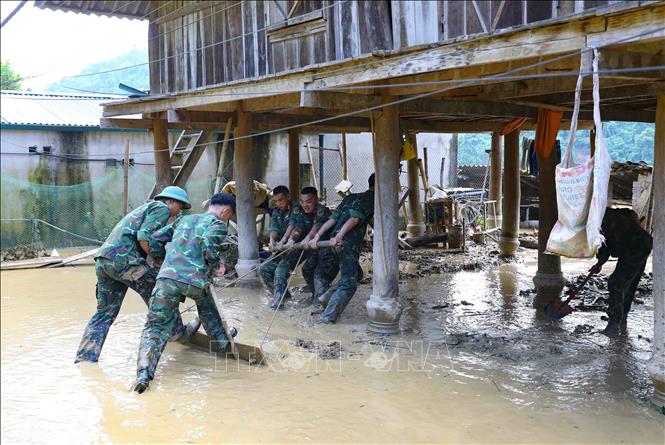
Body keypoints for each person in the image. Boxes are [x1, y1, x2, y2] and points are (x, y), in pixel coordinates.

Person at [133, 192, 237, 393]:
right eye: (229, 216)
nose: (228, 219)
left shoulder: (183, 219)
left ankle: (144, 374)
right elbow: (208, 244)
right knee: (210, 314)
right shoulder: (217, 225)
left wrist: (165, 261)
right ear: (225, 211)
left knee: (154, 328)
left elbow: (154, 239)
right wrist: (217, 266)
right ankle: (226, 352)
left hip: (167, 279)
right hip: (196, 281)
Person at [75, 186, 192, 363]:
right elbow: (144, 236)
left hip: (104, 261)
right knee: (160, 293)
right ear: (171, 201)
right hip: (125, 261)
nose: (177, 212)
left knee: (104, 313)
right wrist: (157, 259)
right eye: (179, 207)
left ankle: (85, 359)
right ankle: (177, 333)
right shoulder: (161, 208)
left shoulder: (146, 208)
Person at [308, 174, 375, 323]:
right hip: (346, 243)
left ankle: (326, 298)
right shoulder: (372, 198)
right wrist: (339, 237)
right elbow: (354, 219)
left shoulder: (351, 197)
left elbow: (332, 219)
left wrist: (318, 236)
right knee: (349, 284)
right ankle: (327, 318)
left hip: (333, 242)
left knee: (357, 274)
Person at [589, 207, 652, 336]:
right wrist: (600, 263)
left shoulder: (598, 218)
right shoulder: (602, 214)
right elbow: (606, 243)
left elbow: (604, 245)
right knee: (629, 283)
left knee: (616, 283)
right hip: (640, 243)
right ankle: (622, 316)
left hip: (636, 246)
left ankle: (614, 322)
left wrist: (600, 262)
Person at [269, 187, 331, 309]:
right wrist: (290, 240)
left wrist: (306, 240)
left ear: (316, 199)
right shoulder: (299, 211)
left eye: (308, 201)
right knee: (281, 267)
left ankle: (319, 305)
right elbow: (297, 227)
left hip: (323, 248)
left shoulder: (322, 210)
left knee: (315, 273)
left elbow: (316, 228)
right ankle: (279, 301)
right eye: (302, 202)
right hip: (303, 247)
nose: (305, 205)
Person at [259, 186, 293, 294]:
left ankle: (279, 303)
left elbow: (293, 226)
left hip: (297, 246)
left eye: (281, 200)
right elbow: (274, 228)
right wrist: (272, 240)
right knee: (264, 269)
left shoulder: (296, 209)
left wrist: (283, 240)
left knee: (280, 272)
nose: (278, 203)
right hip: (283, 248)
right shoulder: (276, 211)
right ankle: (282, 297)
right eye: (276, 201)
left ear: (288, 197)